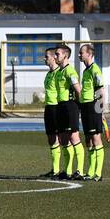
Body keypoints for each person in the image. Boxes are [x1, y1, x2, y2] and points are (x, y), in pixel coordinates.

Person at [56, 45, 85, 180]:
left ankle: (79, 170)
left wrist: (80, 107)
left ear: (65, 56)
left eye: (57, 54)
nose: (55, 57)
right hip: (61, 106)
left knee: (74, 138)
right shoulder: (59, 72)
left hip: (70, 107)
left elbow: (78, 90)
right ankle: (67, 171)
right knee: (63, 140)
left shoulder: (70, 71)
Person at [78, 43, 106, 181]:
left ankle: (98, 173)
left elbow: (100, 91)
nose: (79, 55)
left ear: (89, 54)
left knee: (96, 138)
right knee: (88, 139)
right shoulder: (85, 71)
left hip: (94, 107)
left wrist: (101, 111)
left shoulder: (95, 69)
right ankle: (90, 172)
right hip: (85, 107)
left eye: (81, 52)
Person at [40, 48, 63, 179]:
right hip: (48, 108)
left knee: (62, 138)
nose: (44, 58)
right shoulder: (48, 74)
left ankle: (66, 170)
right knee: (51, 138)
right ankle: (55, 169)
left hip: (57, 108)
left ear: (54, 57)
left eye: (46, 56)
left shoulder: (59, 73)